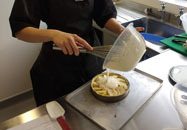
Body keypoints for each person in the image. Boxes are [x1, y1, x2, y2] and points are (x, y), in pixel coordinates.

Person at [9, 0, 143, 106]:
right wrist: (54, 34)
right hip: (57, 62)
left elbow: (104, 14)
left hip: (91, 55)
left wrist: (122, 31)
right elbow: (20, 30)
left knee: (94, 106)